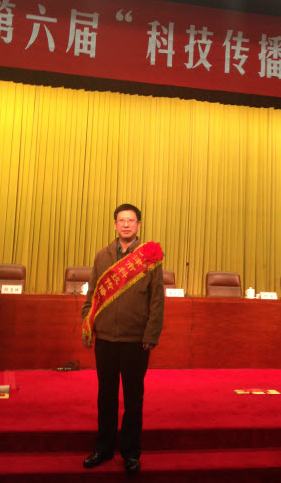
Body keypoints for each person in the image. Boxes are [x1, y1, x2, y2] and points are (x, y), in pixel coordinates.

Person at [81, 203, 164, 474]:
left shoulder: (149, 257)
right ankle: (103, 449)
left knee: (133, 398)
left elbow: (157, 300)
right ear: (115, 224)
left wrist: (151, 333)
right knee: (106, 396)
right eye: (121, 220)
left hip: (135, 340)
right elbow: (92, 294)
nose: (126, 225)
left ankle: (130, 452)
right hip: (105, 338)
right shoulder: (102, 256)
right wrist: (87, 324)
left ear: (138, 225)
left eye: (131, 220)